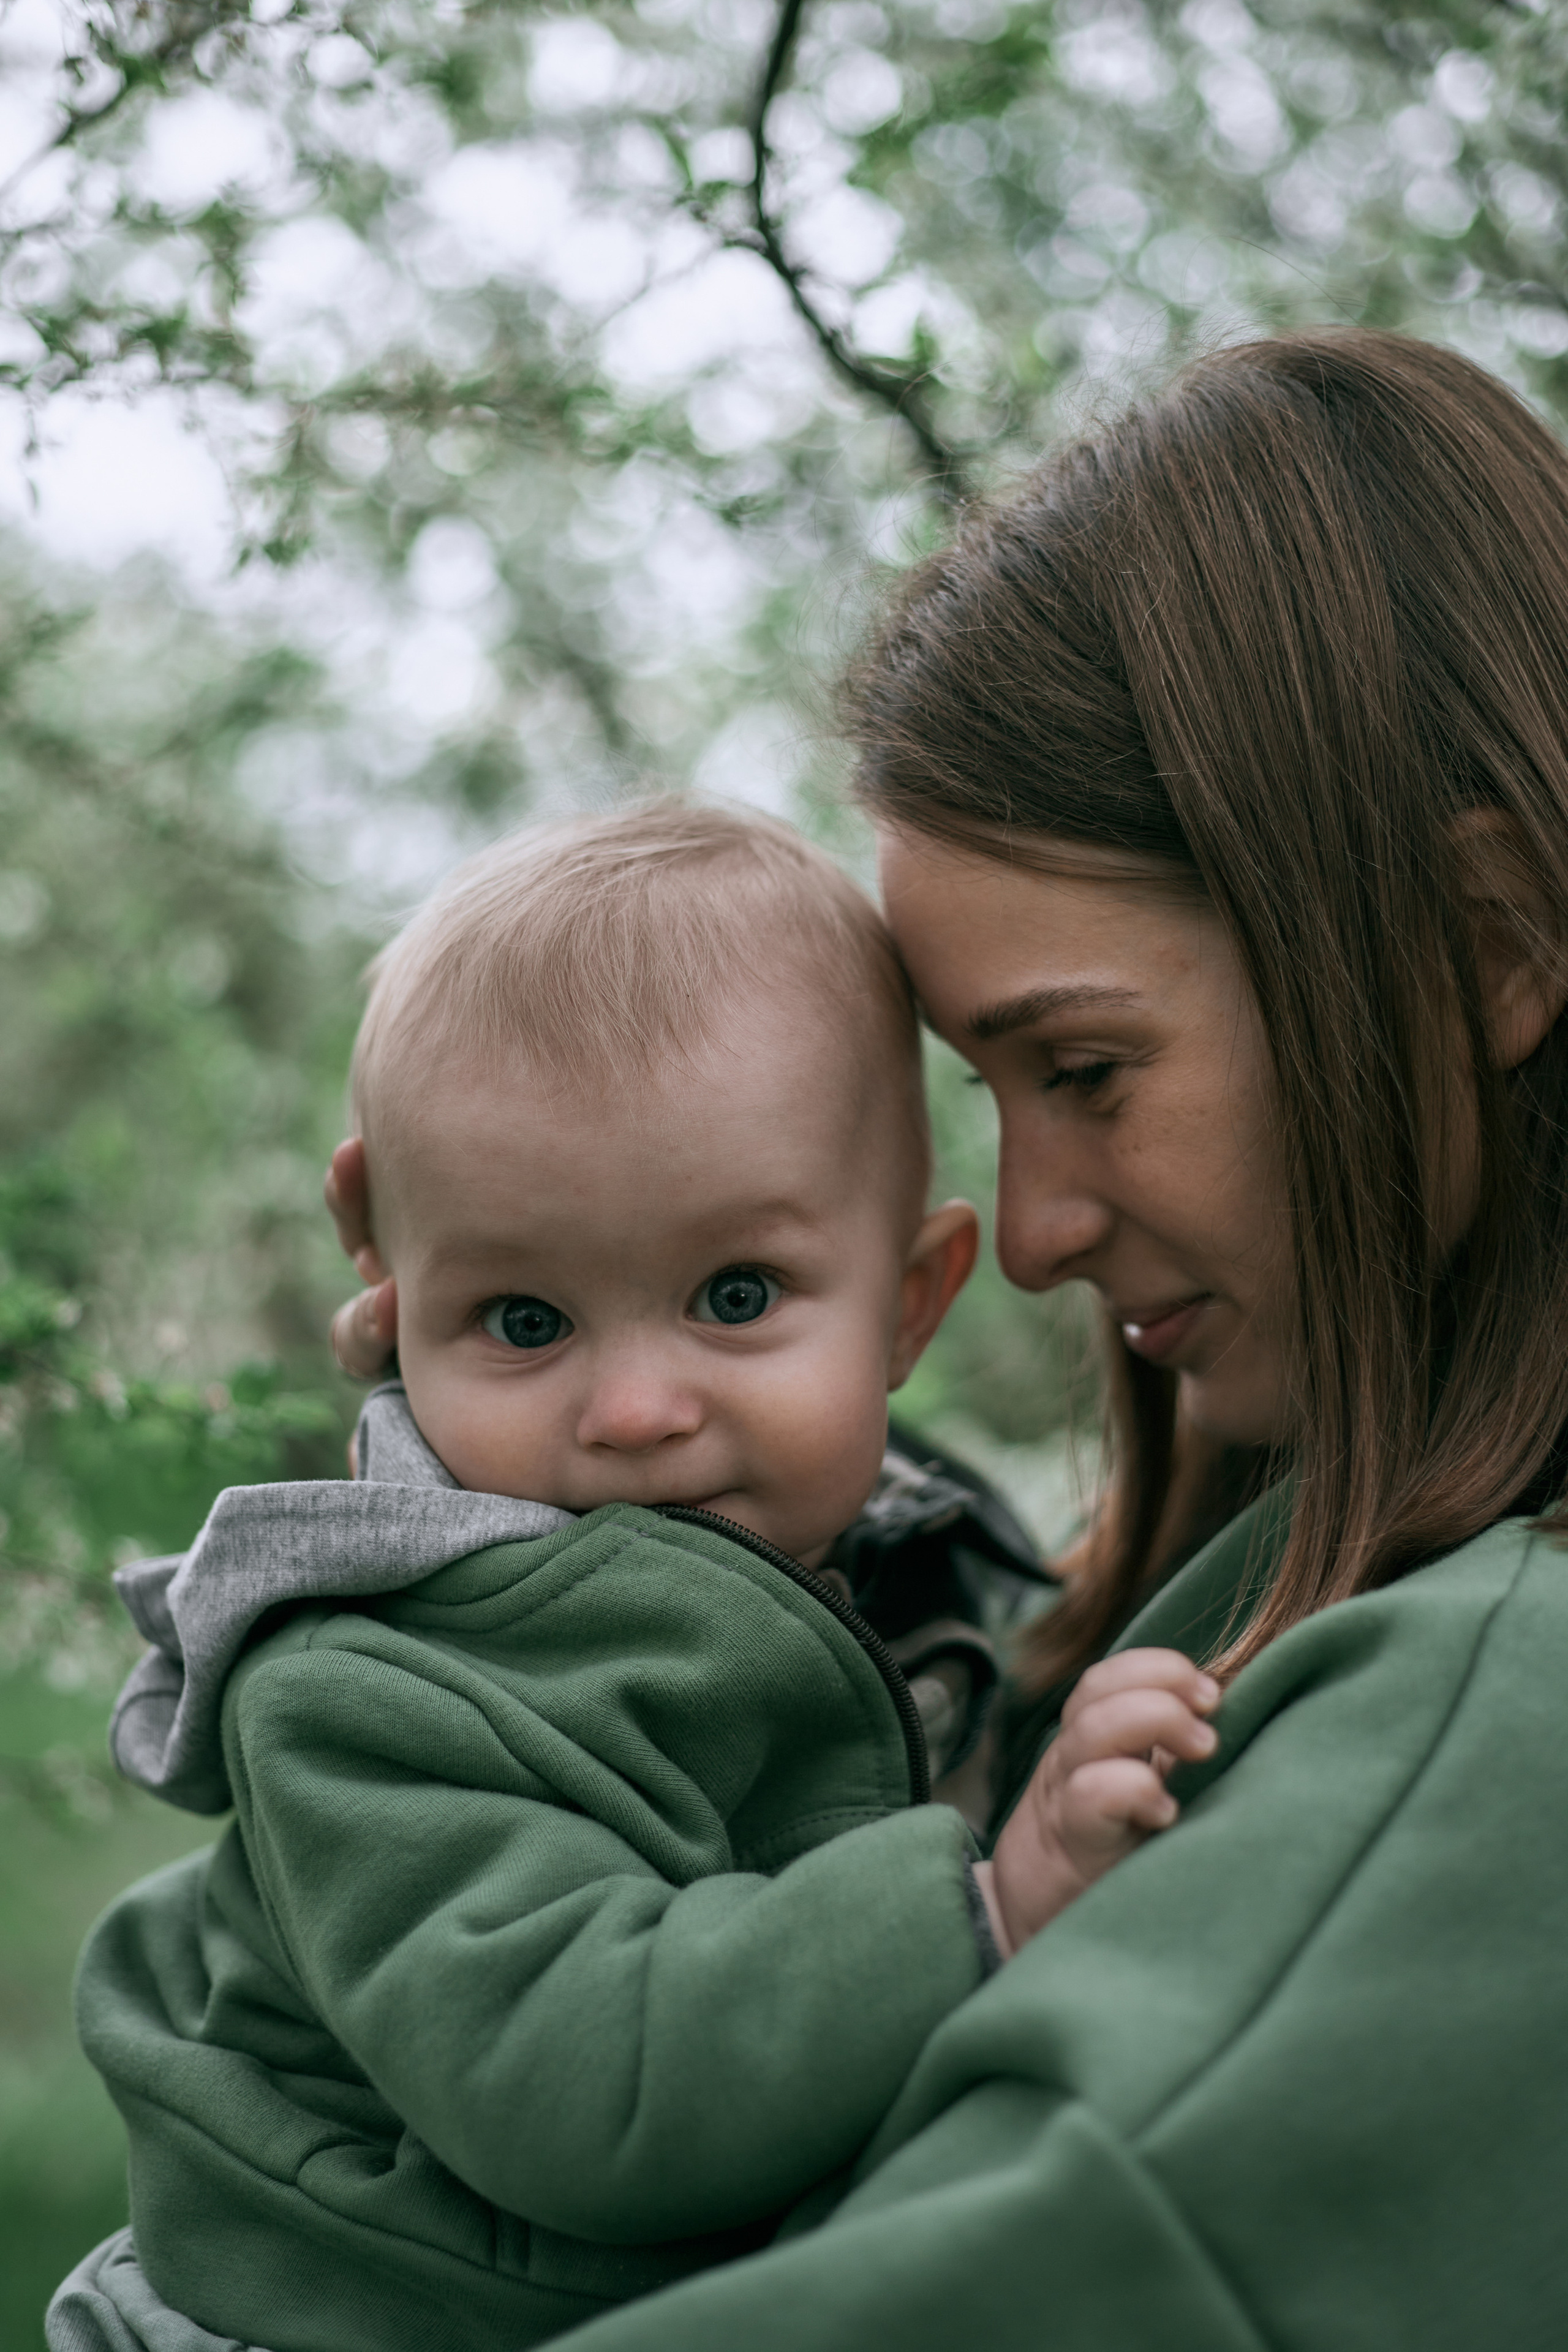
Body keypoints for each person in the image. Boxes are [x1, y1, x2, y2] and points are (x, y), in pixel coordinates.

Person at [327, 328, 1568, 2348]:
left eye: (1083, 1062)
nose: (1036, 1231)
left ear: (1496, 947)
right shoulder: (1223, 1573)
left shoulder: (1511, 1705)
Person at [48, 803, 1221, 2352]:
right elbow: (579, 2079)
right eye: (522, 1321)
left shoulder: (899, 1565)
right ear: (388, 1273)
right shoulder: (370, 1690)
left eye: (734, 1297)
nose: (631, 1414)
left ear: (911, 1300)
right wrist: (986, 1903)